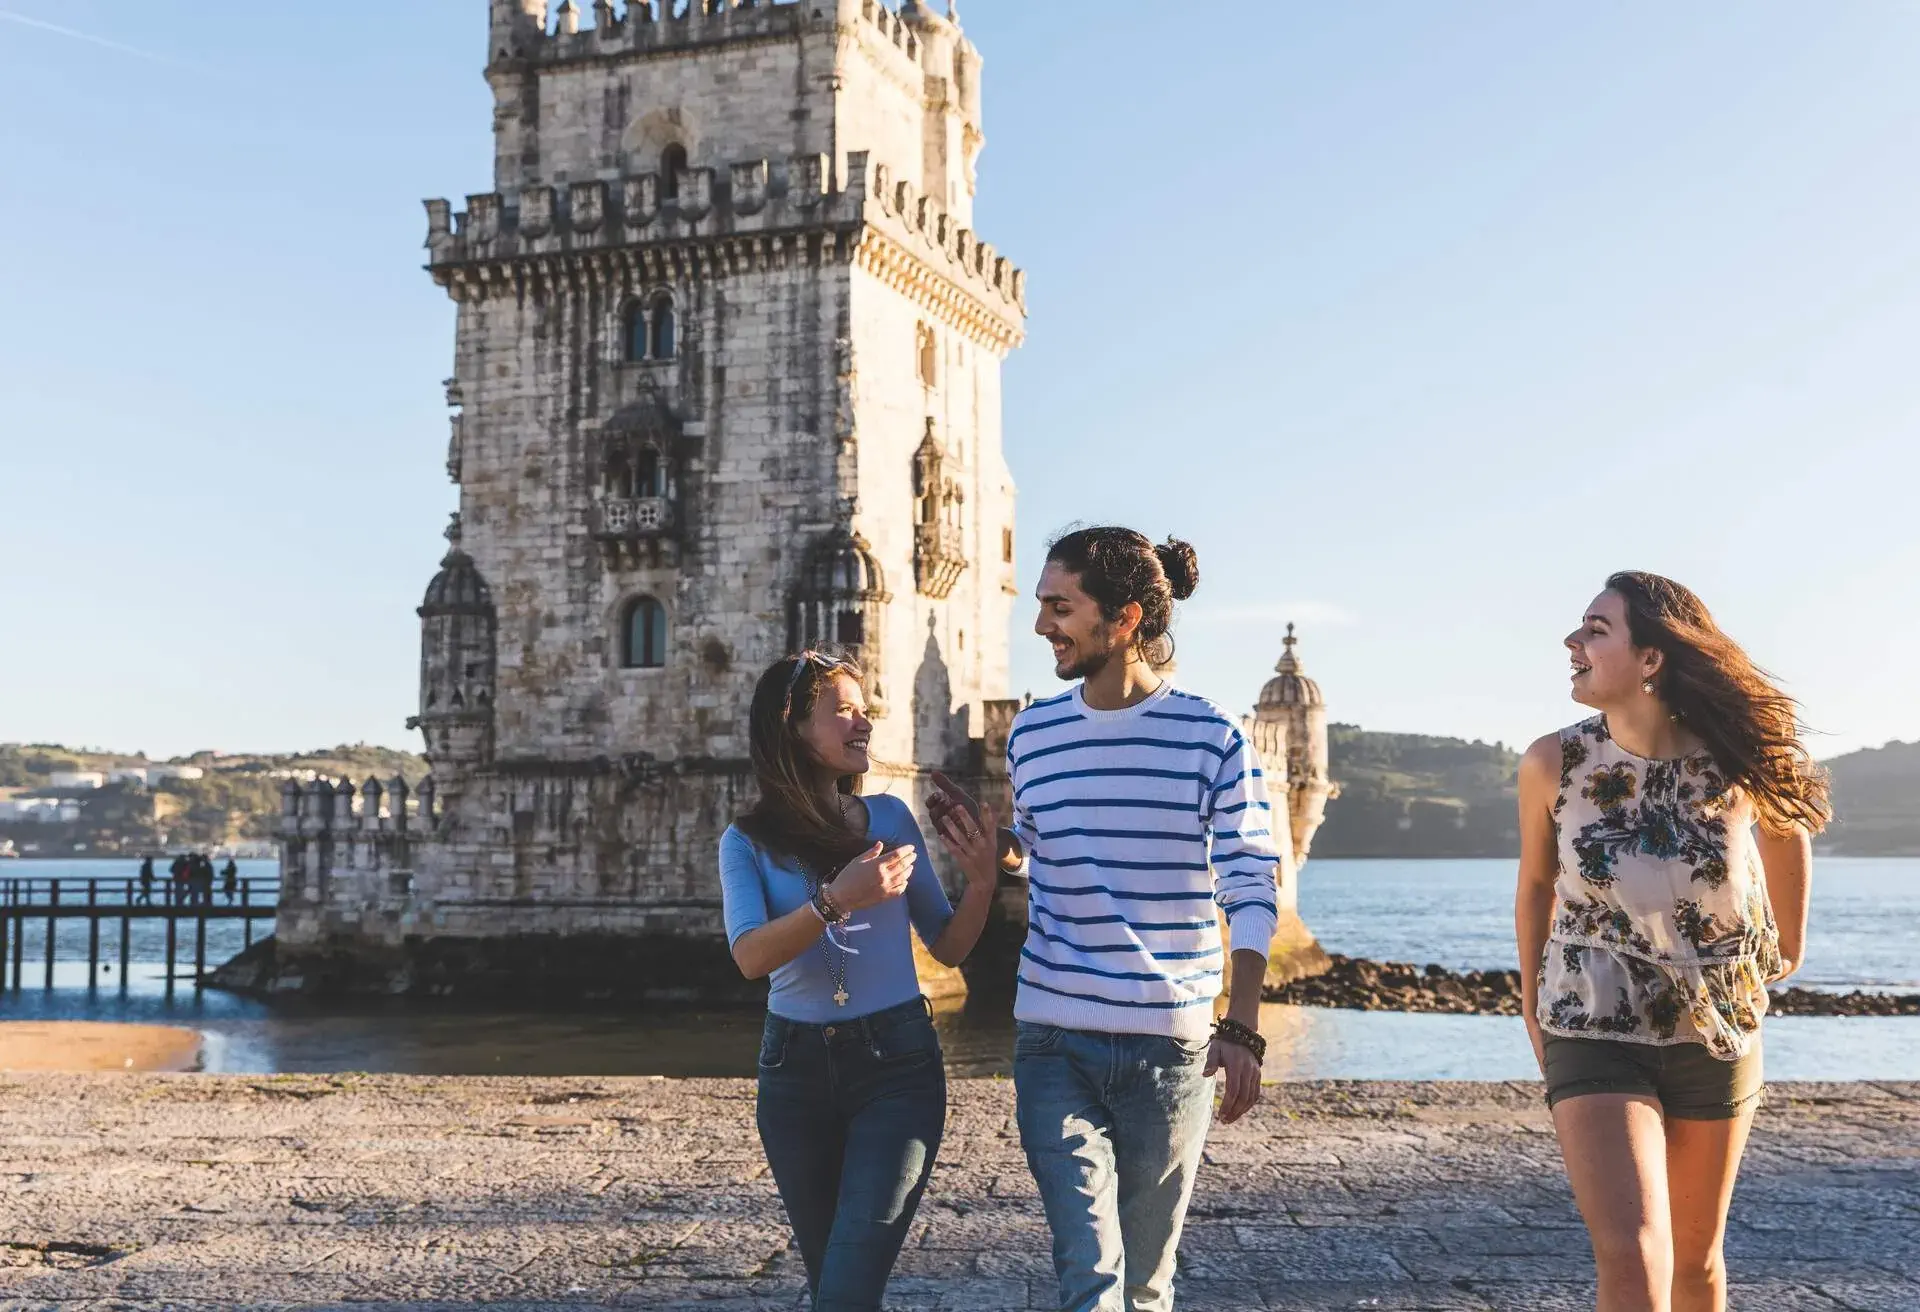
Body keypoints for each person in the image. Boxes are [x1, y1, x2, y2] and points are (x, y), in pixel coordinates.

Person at [929, 527, 1282, 1312]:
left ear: (1123, 620)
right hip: (1053, 1039)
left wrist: (1244, 1026)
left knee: (1145, 1285)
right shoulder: (1033, 735)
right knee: (1089, 1275)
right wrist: (1001, 855)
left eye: (1060, 607)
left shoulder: (1213, 735)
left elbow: (1252, 881)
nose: (1041, 625)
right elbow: (1053, 853)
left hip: (1169, 1049)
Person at [1515, 572, 1827, 1312]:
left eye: (1596, 629)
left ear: (1651, 658)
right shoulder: (1552, 763)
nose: (1572, 642)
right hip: (1591, 1020)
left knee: (1696, 1266)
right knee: (1633, 1254)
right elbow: (1535, 885)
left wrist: (1788, 946)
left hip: (1715, 1029)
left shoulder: (1737, 760)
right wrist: (1530, 1002)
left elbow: (1788, 834)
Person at [719, 651, 999, 1312]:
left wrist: (984, 882)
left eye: (864, 706)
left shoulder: (892, 820)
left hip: (897, 1069)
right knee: (836, 1288)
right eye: (842, 709)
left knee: (846, 1287)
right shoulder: (744, 841)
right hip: (794, 1078)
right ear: (791, 726)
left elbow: (950, 946)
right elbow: (749, 957)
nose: (863, 721)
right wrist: (834, 902)